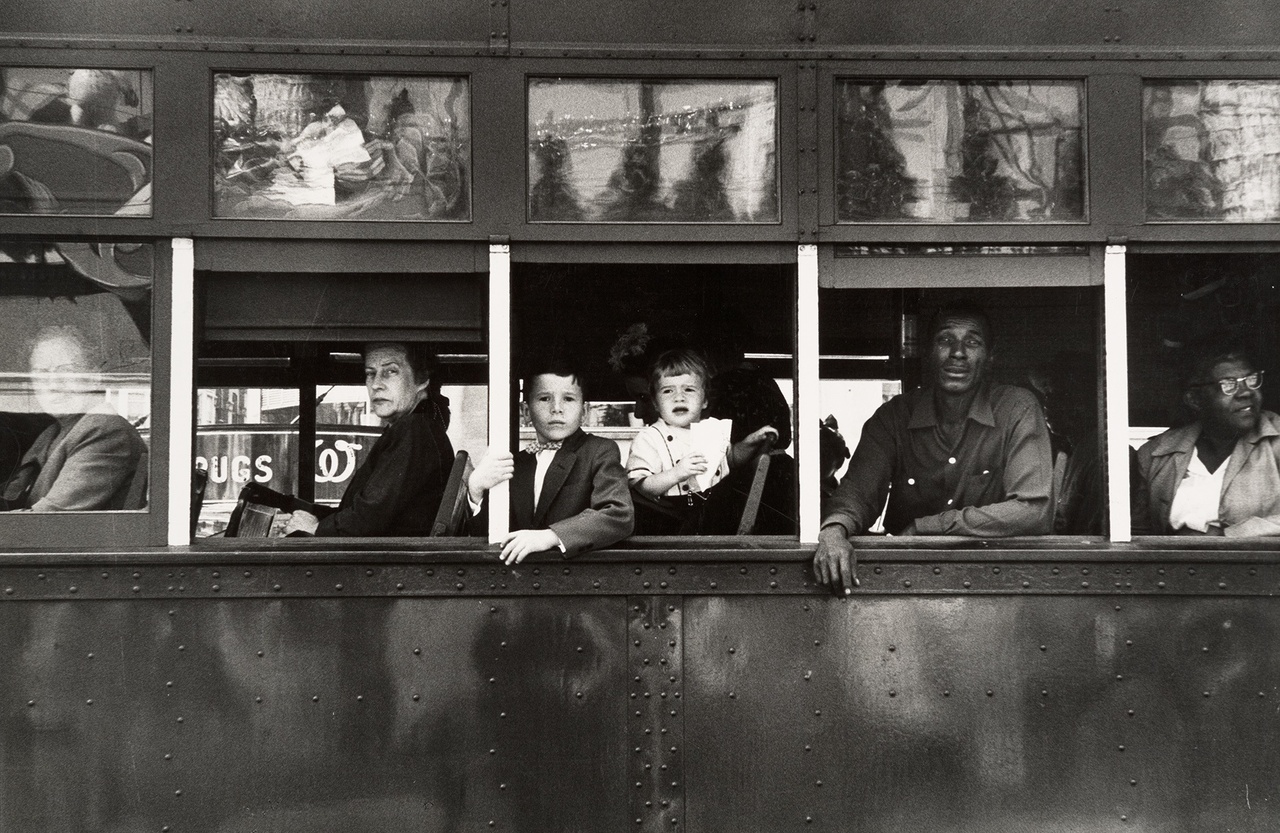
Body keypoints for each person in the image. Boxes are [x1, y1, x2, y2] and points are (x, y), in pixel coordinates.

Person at [814, 303, 1054, 593]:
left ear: (990, 356)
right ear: (929, 351)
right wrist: (834, 531)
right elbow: (858, 491)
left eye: (973, 342)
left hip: (995, 581)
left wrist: (926, 527)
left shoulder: (1017, 409)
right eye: (945, 340)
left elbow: (1033, 510)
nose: (958, 352)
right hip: (906, 581)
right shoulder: (894, 416)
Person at [466, 361, 634, 564]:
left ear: (584, 411)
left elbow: (618, 514)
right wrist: (476, 490)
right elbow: (487, 537)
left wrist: (549, 536)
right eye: (545, 398)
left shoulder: (599, 451)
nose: (556, 409)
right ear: (526, 412)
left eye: (569, 399)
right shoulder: (515, 463)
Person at [284, 342, 453, 536]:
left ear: (422, 379)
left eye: (390, 371)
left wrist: (315, 528)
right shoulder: (417, 427)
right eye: (370, 373)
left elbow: (369, 517)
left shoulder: (414, 429)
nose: (375, 385)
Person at [625, 349, 778, 534]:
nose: (679, 397)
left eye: (689, 389)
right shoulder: (649, 437)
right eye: (667, 391)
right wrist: (677, 473)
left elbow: (731, 460)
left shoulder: (712, 429)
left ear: (704, 400)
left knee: (728, 492)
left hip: (711, 512)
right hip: (671, 517)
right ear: (656, 403)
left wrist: (751, 442)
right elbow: (642, 486)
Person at [1132, 347, 1280, 537]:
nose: (1246, 393)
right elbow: (1137, 533)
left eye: (1251, 380)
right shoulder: (1156, 454)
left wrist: (1233, 535)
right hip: (1176, 566)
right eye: (1228, 384)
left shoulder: (1275, 442)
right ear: (1195, 400)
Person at [2, 325, 147, 511]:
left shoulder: (105, 429)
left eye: (67, 370)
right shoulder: (50, 434)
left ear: (94, 377)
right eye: (42, 373)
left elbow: (49, 517)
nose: (53, 384)